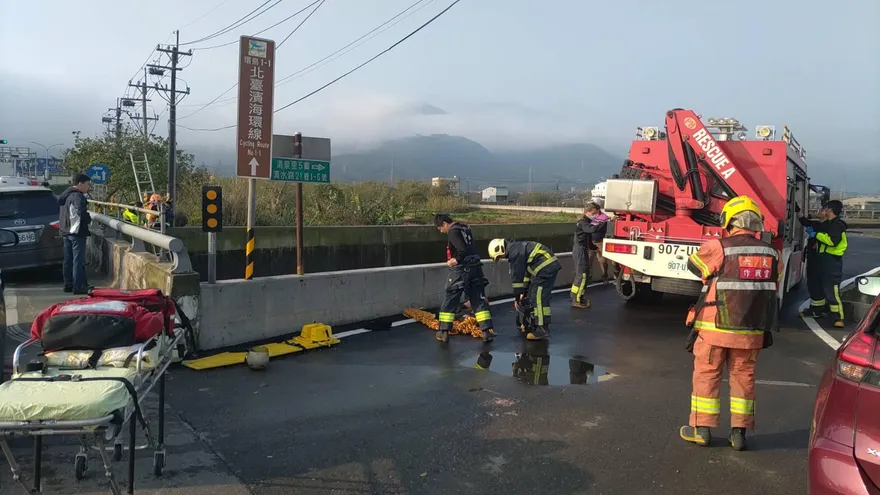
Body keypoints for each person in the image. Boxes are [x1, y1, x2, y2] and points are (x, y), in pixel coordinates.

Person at [680, 195, 780, 451]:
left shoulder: (719, 247)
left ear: (728, 220)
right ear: (756, 222)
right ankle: (739, 435)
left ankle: (702, 431)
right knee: (744, 379)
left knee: (706, 376)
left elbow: (694, 266)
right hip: (751, 332)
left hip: (715, 330)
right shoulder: (771, 254)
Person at [434, 214, 495, 344]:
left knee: (450, 297)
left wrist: (456, 260)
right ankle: (486, 331)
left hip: (462, 269)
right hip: (475, 268)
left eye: (440, 228)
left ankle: (443, 331)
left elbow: (462, 250)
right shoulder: (464, 229)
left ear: (445, 223)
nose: (441, 231)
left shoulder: (453, 232)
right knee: (477, 299)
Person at [488, 238, 561, 340]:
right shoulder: (516, 249)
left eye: (500, 257)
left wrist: (517, 297)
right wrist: (524, 290)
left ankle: (542, 328)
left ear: (500, 250)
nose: (502, 258)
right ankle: (533, 323)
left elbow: (517, 278)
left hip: (545, 268)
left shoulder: (515, 254)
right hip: (544, 267)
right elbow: (525, 273)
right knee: (532, 295)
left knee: (538, 297)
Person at [803, 200, 848, 327]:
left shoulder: (838, 225)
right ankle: (817, 310)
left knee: (831, 291)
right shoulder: (828, 224)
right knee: (817, 286)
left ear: (830, 210)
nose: (824, 210)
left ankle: (838, 317)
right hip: (823, 261)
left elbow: (832, 241)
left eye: (826, 209)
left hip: (832, 262)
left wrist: (816, 235)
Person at [58, 174, 93, 294]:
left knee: (68, 260)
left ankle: (68, 284)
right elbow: (81, 211)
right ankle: (79, 286)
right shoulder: (78, 196)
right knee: (78, 260)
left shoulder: (66, 195)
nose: (88, 187)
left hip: (65, 231)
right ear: (80, 183)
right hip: (76, 231)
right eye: (88, 184)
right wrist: (87, 219)